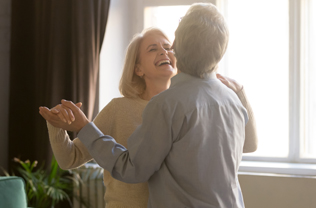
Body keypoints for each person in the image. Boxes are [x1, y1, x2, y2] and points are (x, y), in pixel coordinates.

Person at [40, 3, 258, 207]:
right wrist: (57, 124)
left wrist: (84, 127)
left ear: (178, 52)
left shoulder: (179, 103)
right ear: (138, 69)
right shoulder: (120, 108)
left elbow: (133, 168)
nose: (164, 51)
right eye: (153, 49)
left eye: (167, 46)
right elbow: (70, 158)